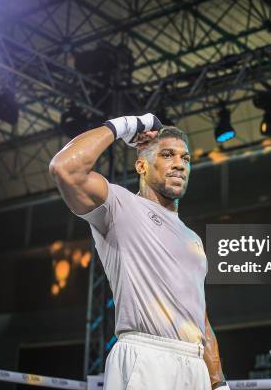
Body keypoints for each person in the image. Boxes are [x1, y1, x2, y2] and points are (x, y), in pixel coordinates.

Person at [49, 113, 229, 390]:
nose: (179, 165)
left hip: (195, 366)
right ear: (141, 165)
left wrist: (218, 382)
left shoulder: (193, 239)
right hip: (146, 357)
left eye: (186, 158)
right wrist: (127, 126)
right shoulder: (120, 205)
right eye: (168, 155)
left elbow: (200, 318)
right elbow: (65, 168)